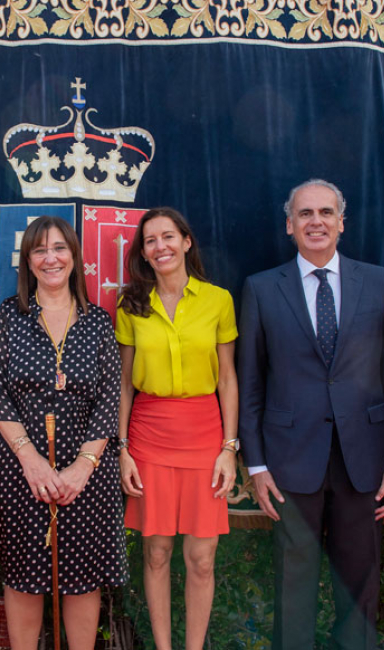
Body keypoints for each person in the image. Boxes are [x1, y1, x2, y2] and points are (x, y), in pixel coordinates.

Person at [238, 179, 384, 650]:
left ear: (341, 223)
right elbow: (250, 384)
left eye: (326, 212)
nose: (317, 222)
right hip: (290, 460)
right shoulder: (261, 288)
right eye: (305, 213)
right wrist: (257, 466)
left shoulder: (380, 282)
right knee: (293, 583)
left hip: (364, 460)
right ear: (289, 225)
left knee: (360, 582)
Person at [0, 216, 127, 650]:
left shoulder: (98, 322)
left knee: (83, 579)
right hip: (20, 473)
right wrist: (31, 461)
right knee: (24, 578)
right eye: (40, 250)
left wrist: (82, 467)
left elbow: (110, 398)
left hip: (87, 477)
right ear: (28, 261)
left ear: (74, 257)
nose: (51, 258)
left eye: (59, 248)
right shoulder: (10, 316)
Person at [116, 207, 239, 650]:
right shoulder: (130, 305)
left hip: (205, 435)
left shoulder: (218, 300)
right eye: (150, 240)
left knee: (202, 559)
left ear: (186, 242)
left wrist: (229, 447)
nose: (160, 246)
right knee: (156, 553)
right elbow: (124, 383)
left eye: (168, 236)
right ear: (143, 252)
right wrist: (122, 448)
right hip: (149, 437)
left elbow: (227, 379)